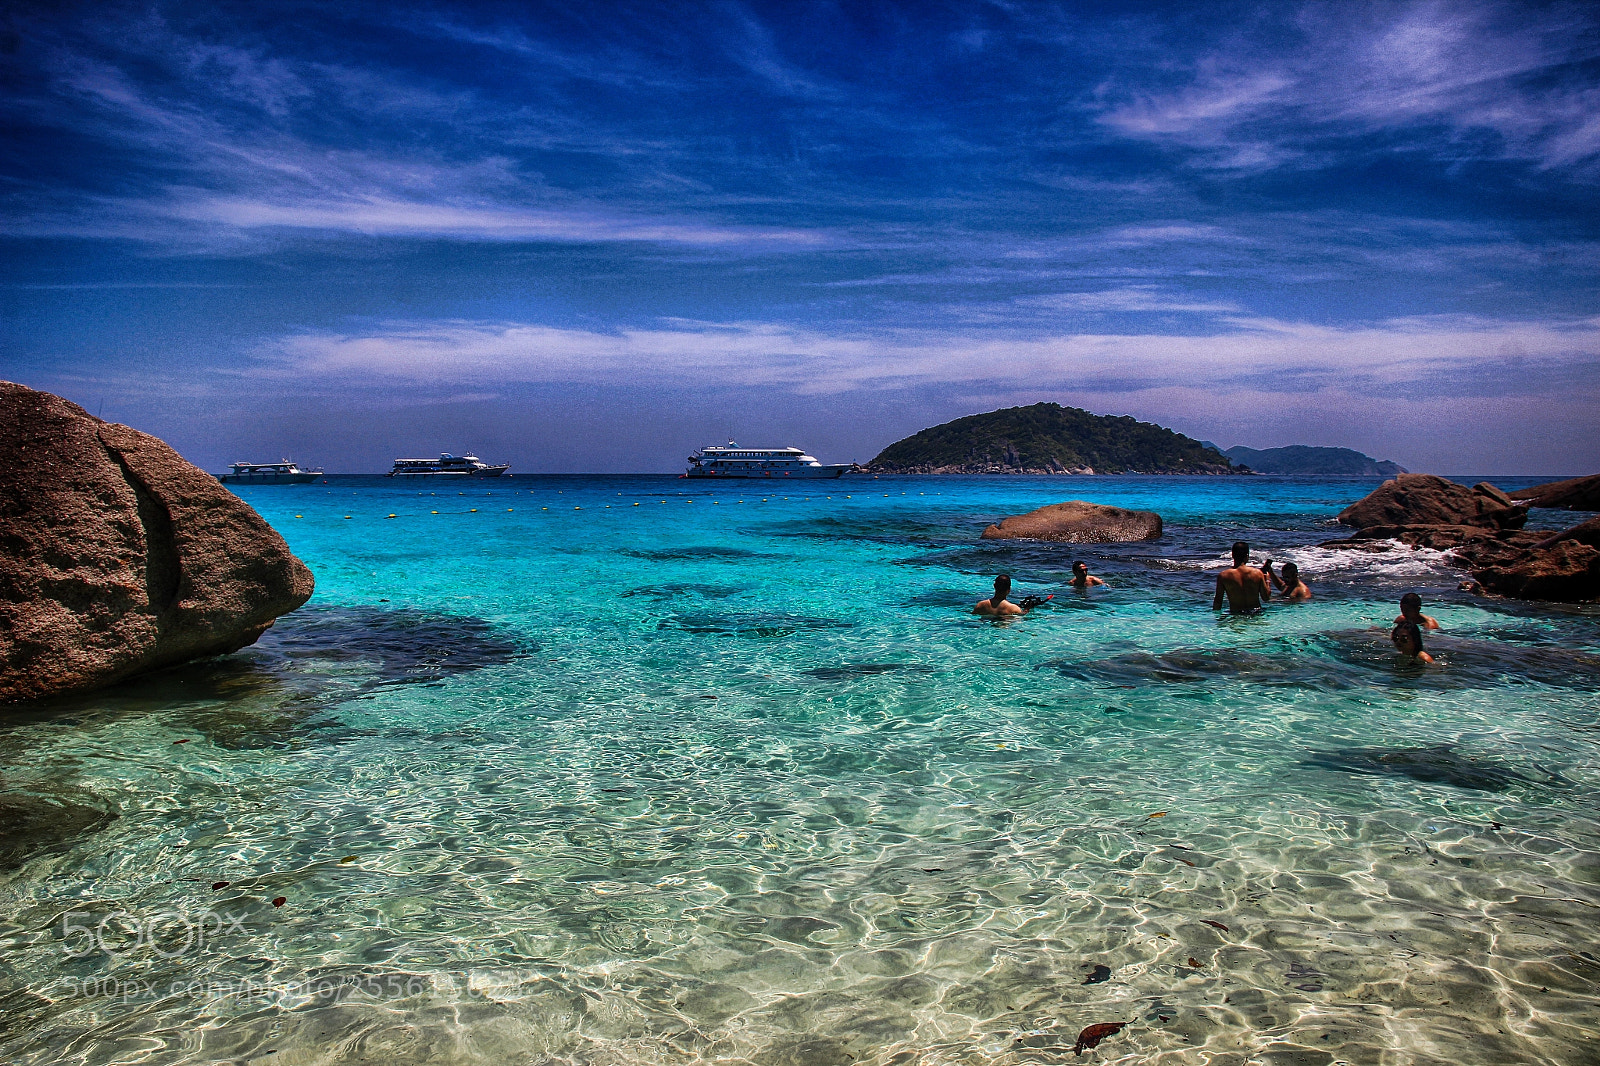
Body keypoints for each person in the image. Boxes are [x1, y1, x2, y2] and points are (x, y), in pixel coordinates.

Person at [1212, 541, 1271, 614]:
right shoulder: (1257, 573)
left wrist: (1217, 619)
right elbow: (1266, 598)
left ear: (1232, 555)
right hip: (1255, 613)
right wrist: (1267, 580)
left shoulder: (1224, 575)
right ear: (1247, 556)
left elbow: (1218, 601)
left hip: (1236, 614)